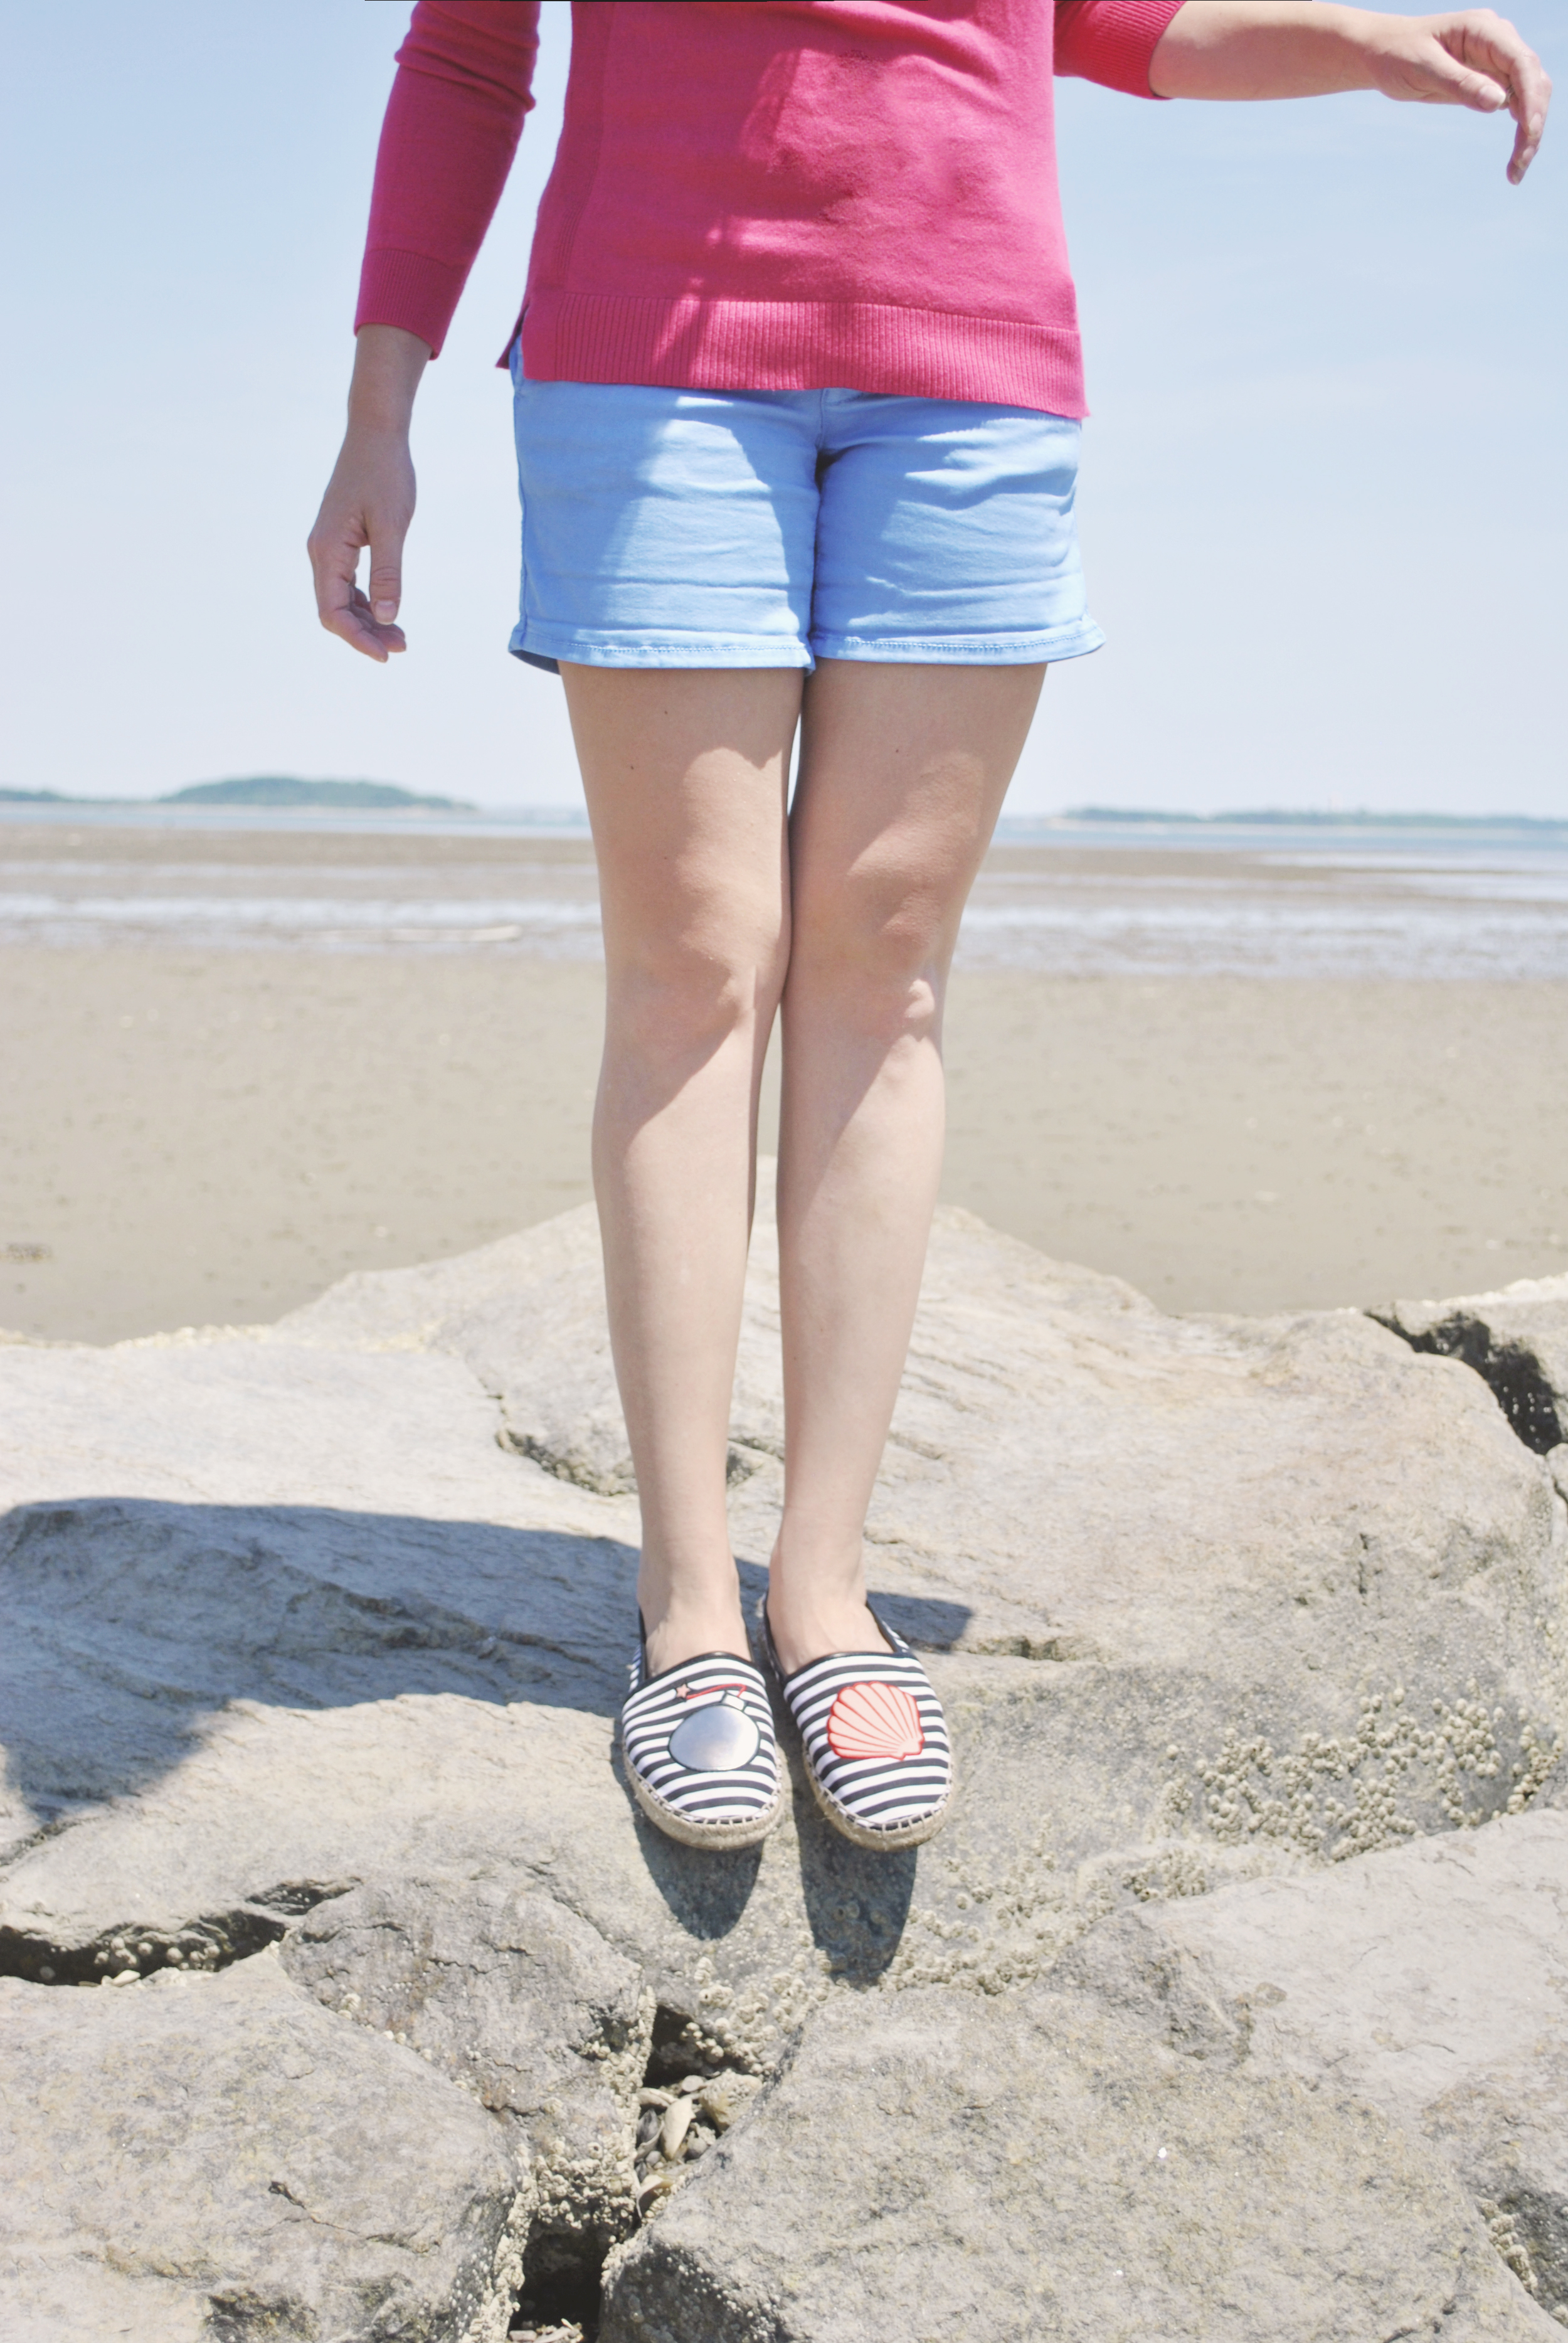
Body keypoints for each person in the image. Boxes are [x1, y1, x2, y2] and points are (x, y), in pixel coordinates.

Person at [309, 1, 1549, 1854]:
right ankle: (681, 1609)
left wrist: (1352, 41)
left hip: (969, 373)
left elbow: (1111, 22)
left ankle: (820, 1592)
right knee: (695, 963)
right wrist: (376, 414)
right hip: (648, 366)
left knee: (880, 964)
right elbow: (469, 59)